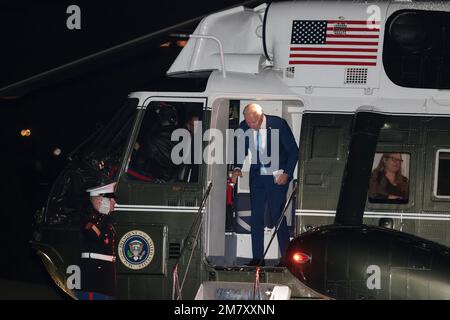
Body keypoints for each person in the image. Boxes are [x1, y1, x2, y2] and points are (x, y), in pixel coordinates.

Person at [232, 103, 298, 266]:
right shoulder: (243, 126)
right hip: (257, 177)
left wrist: (287, 174)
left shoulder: (278, 124)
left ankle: (286, 258)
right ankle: (257, 259)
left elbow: (293, 151)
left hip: (277, 176)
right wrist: (236, 167)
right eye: (248, 122)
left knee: (277, 215)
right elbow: (241, 150)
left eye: (253, 122)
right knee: (256, 217)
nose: (251, 126)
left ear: (262, 116)